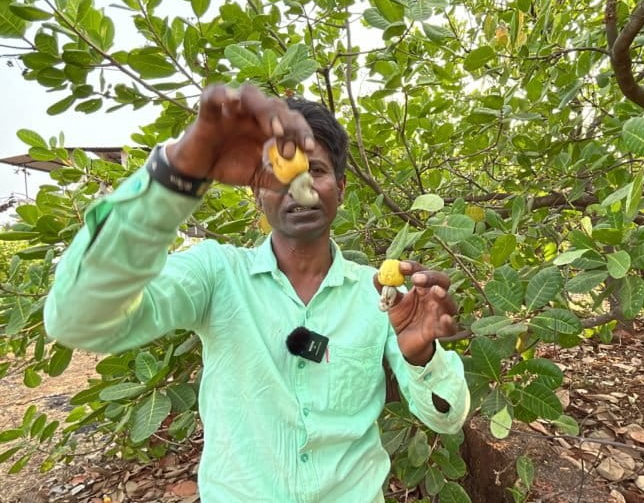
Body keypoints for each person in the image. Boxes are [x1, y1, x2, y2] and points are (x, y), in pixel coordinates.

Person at [44, 84, 470, 503]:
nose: (298, 189)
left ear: (341, 187)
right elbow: (78, 318)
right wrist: (179, 170)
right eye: (280, 174)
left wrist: (422, 358)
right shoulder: (215, 273)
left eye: (316, 171)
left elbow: (446, 418)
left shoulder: (377, 293)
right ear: (255, 193)